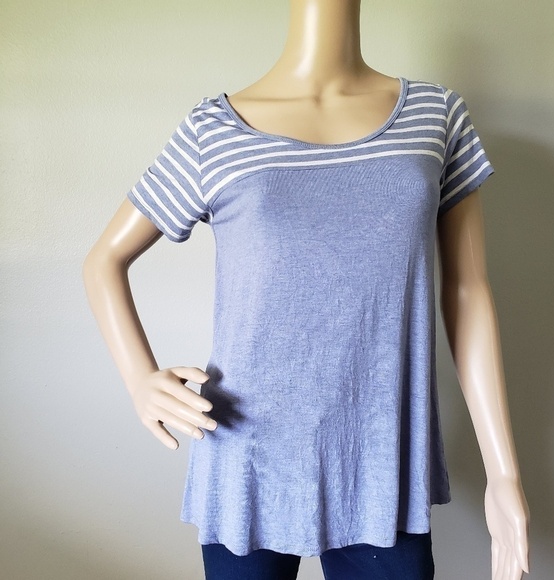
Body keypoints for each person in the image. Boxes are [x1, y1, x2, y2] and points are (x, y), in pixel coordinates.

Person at [82, 1, 530, 578]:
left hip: (379, 462)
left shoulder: (436, 115)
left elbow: (467, 290)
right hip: (246, 455)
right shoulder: (213, 129)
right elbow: (104, 260)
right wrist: (140, 379)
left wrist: (504, 473)